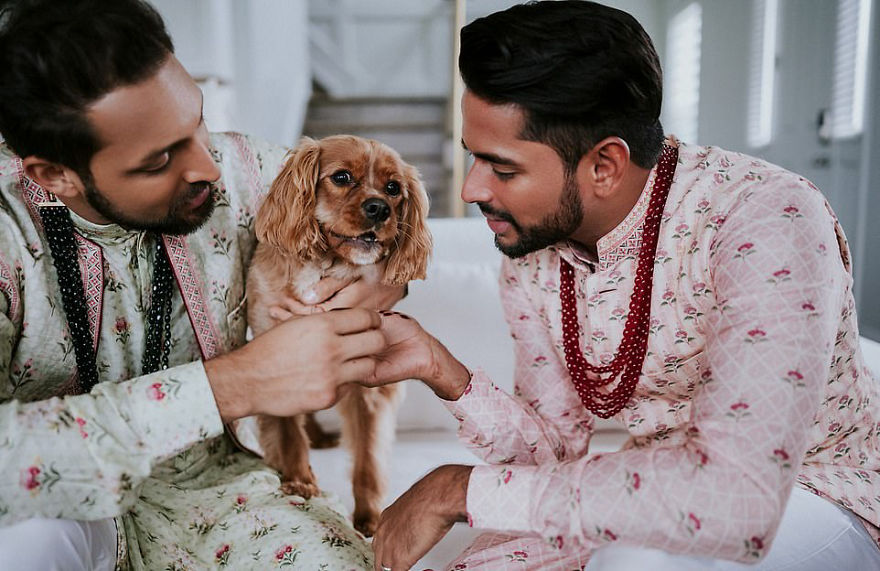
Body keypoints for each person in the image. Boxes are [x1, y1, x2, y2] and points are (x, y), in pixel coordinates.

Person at [363, 2, 880, 570]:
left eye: (503, 169)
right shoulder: (534, 254)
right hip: (649, 491)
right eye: (473, 159)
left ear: (605, 165)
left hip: (813, 491)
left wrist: (459, 489)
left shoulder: (766, 215)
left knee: (636, 563)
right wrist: (440, 369)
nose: (471, 190)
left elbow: (736, 499)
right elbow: (551, 457)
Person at [0, 0, 402, 568]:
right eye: (159, 160)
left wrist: (378, 281)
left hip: (226, 492)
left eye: (198, 122)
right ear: (55, 175)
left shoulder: (247, 170)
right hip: (57, 506)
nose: (208, 167)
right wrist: (233, 385)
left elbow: (385, 211)